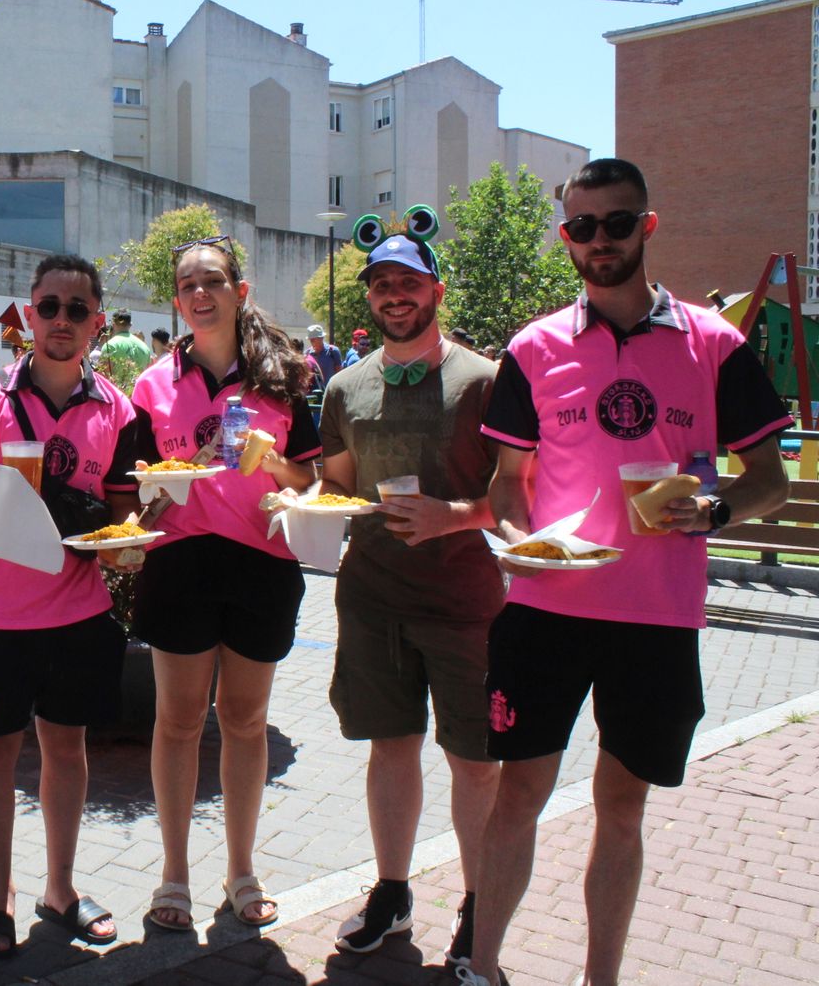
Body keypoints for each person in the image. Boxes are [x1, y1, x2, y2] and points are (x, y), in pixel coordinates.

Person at [461, 158, 792, 986]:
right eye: (582, 227)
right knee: (517, 794)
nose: (598, 240)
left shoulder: (716, 345)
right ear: (566, 237)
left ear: (647, 225)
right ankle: (482, 965)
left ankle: (598, 978)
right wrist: (513, 538)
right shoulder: (533, 348)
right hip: (547, 606)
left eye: (616, 223)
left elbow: (770, 479)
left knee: (623, 806)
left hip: (656, 614)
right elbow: (507, 481)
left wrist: (715, 510)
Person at [0, 254, 140, 956]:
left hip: (78, 613)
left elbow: (122, 509)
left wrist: (121, 538)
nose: (60, 320)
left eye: (76, 309)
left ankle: (60, 888)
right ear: (29, 312)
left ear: (97, 321)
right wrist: (13, 509)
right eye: (48, 306)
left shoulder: (120, 409)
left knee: (66, 747)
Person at [313, 232, 502, 969]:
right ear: (370, 297)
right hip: (371, 599)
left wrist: (453, 516)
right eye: (381, 283)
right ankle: (392, 893)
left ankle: (480, 905)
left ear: (436, 290)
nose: (395, 294)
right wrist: (299, 506)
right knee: (391, 747)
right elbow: (337, 487)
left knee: (475, 762)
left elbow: (524, 491)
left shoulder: (484, 381)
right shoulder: (343, 388)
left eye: (409, 281)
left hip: (464, 602)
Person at [132, 235, 321, 932]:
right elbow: (141, 491)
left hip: (261, 565)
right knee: (178, 722)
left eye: (212, 280)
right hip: (181, 565)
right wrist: (156, 492)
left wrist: (274, 469)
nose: (199, 294)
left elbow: (310, 479)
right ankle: (173, 874)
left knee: (244, 722)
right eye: (187, 285)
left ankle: (242, 868)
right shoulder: (153, 384)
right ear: (177, 300)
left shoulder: (283, 377)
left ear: (240, 291)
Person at [99, 309, 153, 375]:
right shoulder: (145, 348)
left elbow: (103, 377)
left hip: (116, 385)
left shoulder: (109, 346)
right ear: (130, 324)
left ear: (113, 324)